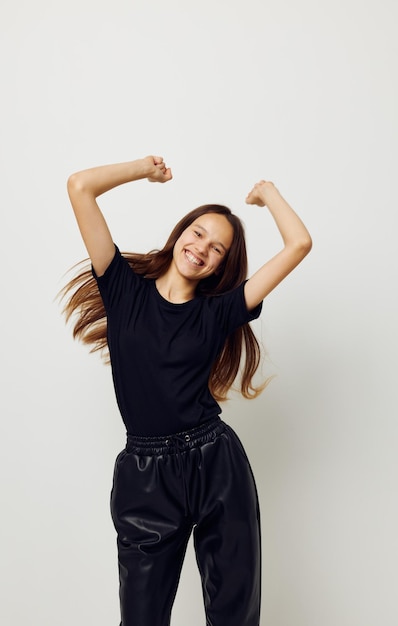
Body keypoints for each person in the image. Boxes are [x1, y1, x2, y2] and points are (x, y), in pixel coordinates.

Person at [62, 155, 312, 626]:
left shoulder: (219, 311)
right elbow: (79, 187)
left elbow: (299, 243)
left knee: (234, 616)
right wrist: (145, 170)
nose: (202, 248)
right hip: (144, 476)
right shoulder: (122, 288)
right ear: (180, 233)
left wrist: (267, 194)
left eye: (218, 249)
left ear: (221, 266)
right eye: (198, 232)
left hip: (215, 464)